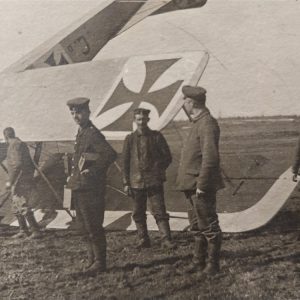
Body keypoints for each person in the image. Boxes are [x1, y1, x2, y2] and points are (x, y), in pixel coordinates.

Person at [66, 97, 117, 275]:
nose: (75, 116)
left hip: (91, 189)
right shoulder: (81, 133)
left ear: (87, 112)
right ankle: (91, 259)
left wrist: (93, 171)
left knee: (93, 225)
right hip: (80, 187)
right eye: (72, 113)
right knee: (83, 226)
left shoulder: (93, 133)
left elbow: (109, 154)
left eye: (79, 112)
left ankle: (100, 263)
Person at [176, 85, 224, 275]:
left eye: (184, 101)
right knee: (197, 225)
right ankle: (198, 262)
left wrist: (202, 185)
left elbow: (210, 158)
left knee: (209, 226)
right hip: (191, 184)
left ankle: (212, 265)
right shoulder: (199, 122)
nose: (182, 104)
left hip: (200, 186)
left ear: (190, 102)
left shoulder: (207, 124)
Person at [122, 108, 174, 249]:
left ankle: (166, 239)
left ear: (148, 120)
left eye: (144, 119)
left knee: (160, 211)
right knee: (138, 212)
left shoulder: (156, 137)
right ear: (134, 121)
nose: (141, 122)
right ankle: (143, 239)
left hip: (154, 181)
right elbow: (125, 162)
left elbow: (167, 157)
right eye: (139, 119)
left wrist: (157, 170)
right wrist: (126, 182)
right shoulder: (129, 139)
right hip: (135, 182)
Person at [3, 127, 42, 239]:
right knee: (16, 205)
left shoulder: (15, 145)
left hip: (20, 180)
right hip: (21, 179)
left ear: (6, 137)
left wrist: (10, 181)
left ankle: (35, 230)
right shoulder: (19, 143)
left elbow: (17, 165)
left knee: (22, 204)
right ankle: (23, 230)